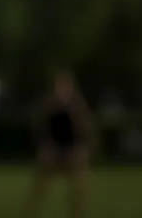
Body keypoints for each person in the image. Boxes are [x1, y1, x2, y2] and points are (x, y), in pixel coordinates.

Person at [24, 71, 95, 218]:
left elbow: (84, 128)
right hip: (54, 147)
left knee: (79, 183)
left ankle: (77, 213)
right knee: (41, 180)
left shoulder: (76, 104)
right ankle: (32, 211)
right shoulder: (48, 104)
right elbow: (41, 127)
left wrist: (84, 148)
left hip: (72, 147)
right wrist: (44, 146)